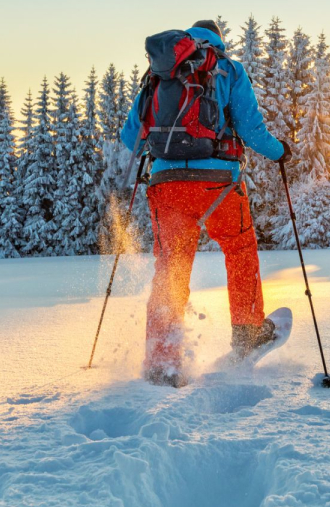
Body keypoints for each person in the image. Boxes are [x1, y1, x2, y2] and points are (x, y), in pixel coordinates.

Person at [119, 20, 291, 387]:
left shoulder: (159, 74)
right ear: (218, 41)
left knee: (171, 267)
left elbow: (130, 136)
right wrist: (280, 153)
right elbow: (251, 129)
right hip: (218, 185)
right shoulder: (227, 68)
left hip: (166, 186)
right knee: (239, 248)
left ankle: (162, 361)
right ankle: (247, 332)